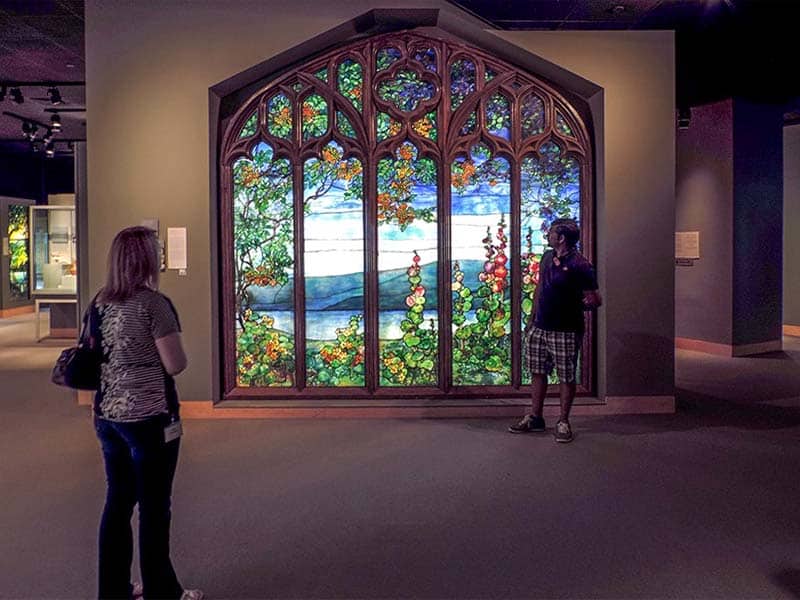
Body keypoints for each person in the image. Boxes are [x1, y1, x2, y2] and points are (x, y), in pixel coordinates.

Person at [90, 226, 202, 600]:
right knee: (155, 509)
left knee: (118, 502)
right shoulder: (154, 304)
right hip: (150, 420)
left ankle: (114, 591)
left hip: (107, 417)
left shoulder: (99, 303)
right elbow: (175, 364)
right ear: (147, 259)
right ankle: (162, 593)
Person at [509, 218, 602, 443]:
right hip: (541, 326)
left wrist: (572, 305)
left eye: (551, 233)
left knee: (565, 376)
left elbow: (595, 300)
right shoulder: (547, 257)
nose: (547, 235)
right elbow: (540, 287)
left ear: (561, 238)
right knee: (537, 371)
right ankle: (536, 417)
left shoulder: (581, 265)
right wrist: (532, 319)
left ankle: (563, 421)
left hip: (566, 330)